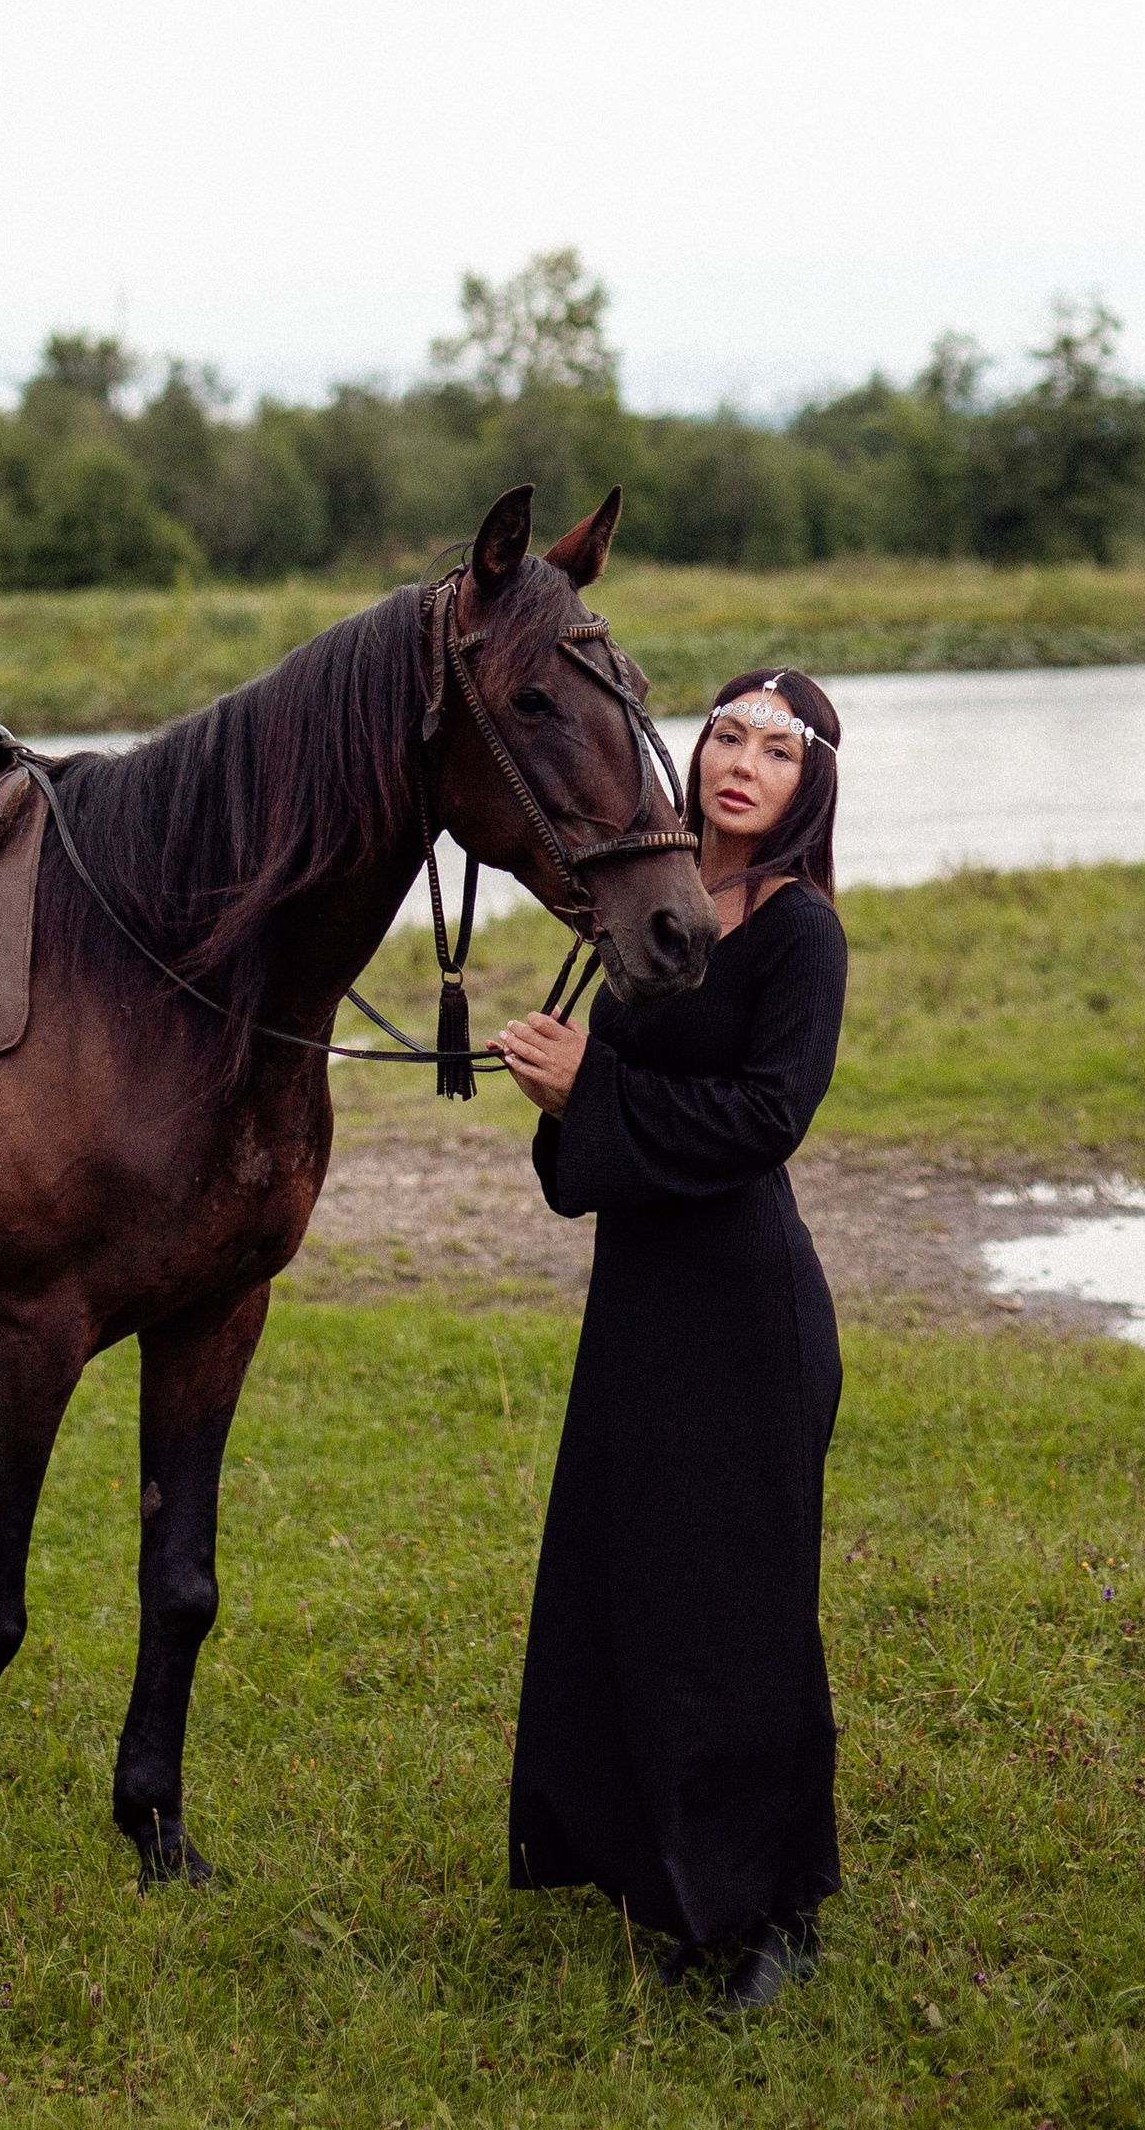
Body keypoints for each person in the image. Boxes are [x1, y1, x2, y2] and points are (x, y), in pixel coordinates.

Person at [493, 664, 849, 2014]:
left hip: (745, 1310)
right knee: (631, 1582)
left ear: (811, 783)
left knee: (742, 1611)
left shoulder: (801, 934)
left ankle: (775, 1911)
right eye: (727, 737)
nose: (743, 764)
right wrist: (559, 1093)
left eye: (777, 749)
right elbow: (601, 1138)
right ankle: (658, 1869)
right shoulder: (654, 910)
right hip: (639, 1302)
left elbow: (765, 1122)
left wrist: (603, 1083)